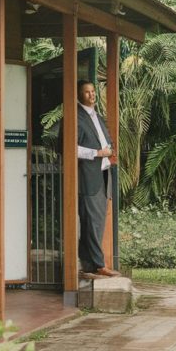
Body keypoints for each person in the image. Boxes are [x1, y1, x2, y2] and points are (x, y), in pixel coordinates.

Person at [75, 80, 120, 278]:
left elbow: (106, 142)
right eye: (87, 92)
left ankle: (88, 264)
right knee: (93, 222)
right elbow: (71, 148)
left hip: (103, 175)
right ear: (78, 95)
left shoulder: (97, 117)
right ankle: (99, 264)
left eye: (93, 91)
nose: (92, 95)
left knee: (96, 221)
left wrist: (109, 152)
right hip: (88, 176)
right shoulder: (75, 117)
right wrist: (97, 153)